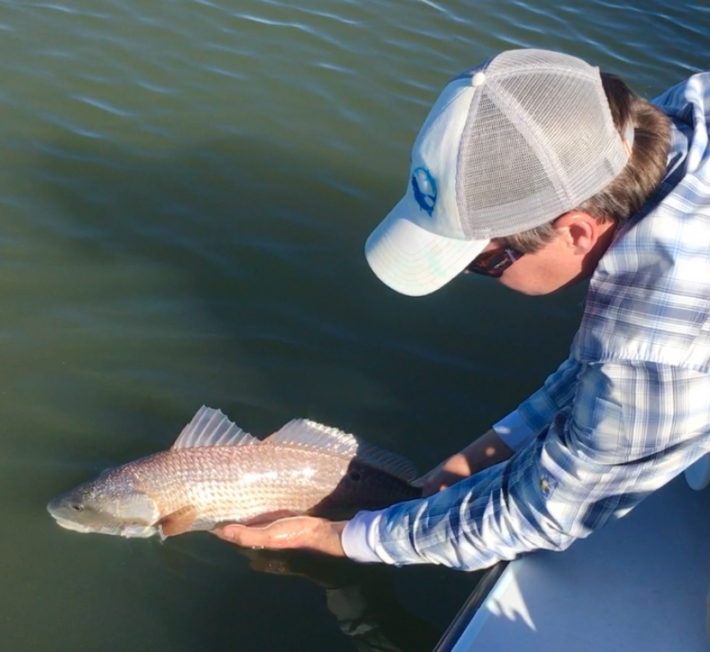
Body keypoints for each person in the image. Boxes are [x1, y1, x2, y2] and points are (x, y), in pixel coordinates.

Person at [212, 48, 710, 570]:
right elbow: (615, 361)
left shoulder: (662, 342)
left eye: (485, 262)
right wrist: (482, 454)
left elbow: (550, 507)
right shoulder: (675, 117)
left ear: (577, 231)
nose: (475, 277)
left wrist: (342, 536)